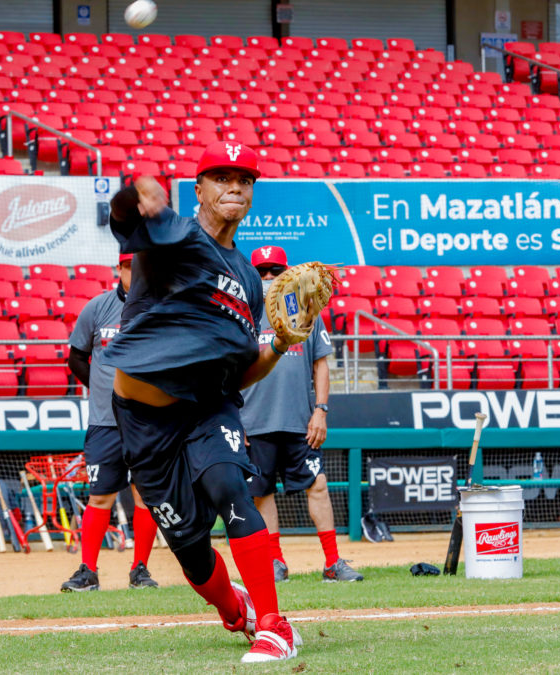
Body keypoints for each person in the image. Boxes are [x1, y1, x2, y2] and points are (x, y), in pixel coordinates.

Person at [101, 141, 302, 663]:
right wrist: (137, 191)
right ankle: (236, 610)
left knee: (229, 486)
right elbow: (126, 215)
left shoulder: (249, 281)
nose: (233, 185)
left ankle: (275, 625)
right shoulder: (177, 237)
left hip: (208, 405)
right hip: (143, 417)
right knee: (190, 551)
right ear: (199, 189)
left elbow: (242, 370)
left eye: (243, 178)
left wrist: (277, 346)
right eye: (220, 177)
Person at [240, 246, 362, 584]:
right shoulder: (242, 312)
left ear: (288, 274)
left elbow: (320, 363)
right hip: (253, 421)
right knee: (261, 493)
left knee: (318, 485)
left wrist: (320, 410)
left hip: (299, 421)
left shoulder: (306, 309)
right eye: (262, 272)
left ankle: (333, 563)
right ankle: (275, 561)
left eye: (274, 271)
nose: (268, 278)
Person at [61, 253, 161, 592]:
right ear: (118, 269)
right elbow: (76, 357)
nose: (135, 272)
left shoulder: (160, 307)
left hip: (147, 420)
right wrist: (103, 389)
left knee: (145, 496)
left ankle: (140, 569)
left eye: (141, 266)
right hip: (105, 422)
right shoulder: (97, 307)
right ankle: (88, 570)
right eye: (129, 266)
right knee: (99, 495)